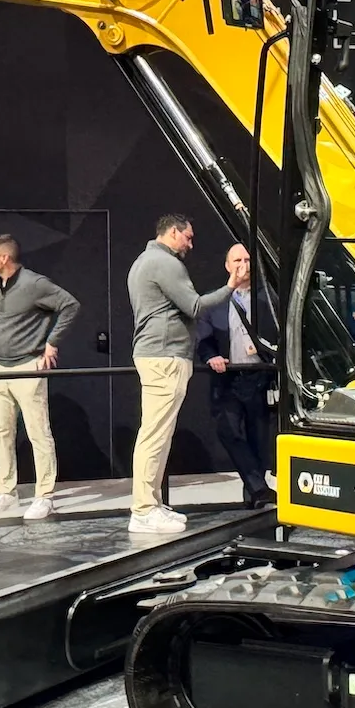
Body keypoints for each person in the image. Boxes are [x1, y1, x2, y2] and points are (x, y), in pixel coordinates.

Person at [126, 213, 236, 535]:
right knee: (154, 435)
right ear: (173, 232)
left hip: (157, 354)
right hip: (164, 356)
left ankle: (152, 505)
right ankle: (144, 510)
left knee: (158, 434)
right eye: (187, 237)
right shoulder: (166, 263)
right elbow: (197, 307)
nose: (190, 244)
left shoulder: (143, 261)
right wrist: (231, 285)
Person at [0, 234, 80, 521]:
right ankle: (6, 492)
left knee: (38, 433)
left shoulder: (35, 284)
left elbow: (70, 305)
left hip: (28, 366)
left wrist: (52, 342)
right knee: (2, 432)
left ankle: (44, 496)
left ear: (4, 258)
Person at [196, 242, 277, 509]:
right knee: (228, 431)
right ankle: (259, 488)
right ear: (227, 266)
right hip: (227, 377)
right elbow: (203, 337)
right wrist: (210, 357)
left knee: (258, 436)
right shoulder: (215, 300)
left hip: (259, 375)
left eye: (247, 259)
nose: (243, 265)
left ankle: (254, 494)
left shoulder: (270, 299)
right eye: (237, 260)